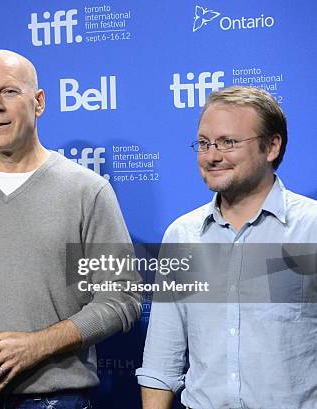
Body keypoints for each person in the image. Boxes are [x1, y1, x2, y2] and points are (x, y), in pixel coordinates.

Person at [0, 49, 142, 409]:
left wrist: (37, 346)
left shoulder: (87, 190)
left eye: (9, 92)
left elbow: (121, 299)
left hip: (55, 397)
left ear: (39, 102)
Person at [136, 86, 317, 409]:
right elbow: (162, 359)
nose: (212, 156)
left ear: (272, 146)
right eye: (204, 144)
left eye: (228, 142)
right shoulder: (182, 235)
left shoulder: (311, 227)